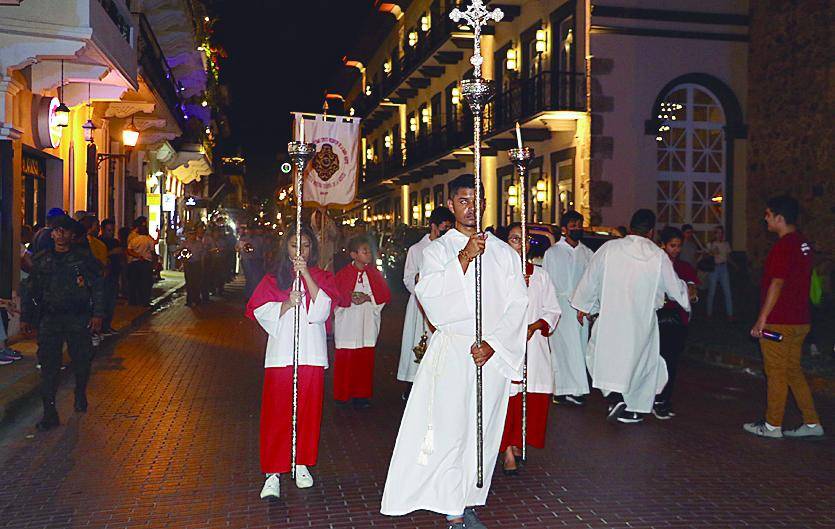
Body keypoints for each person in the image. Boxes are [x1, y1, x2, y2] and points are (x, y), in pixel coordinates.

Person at [381, 174, 528, 529]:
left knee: (483, 430)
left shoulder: (505, 253)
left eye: (477, 200)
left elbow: (518, 304)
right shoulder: (436, 251)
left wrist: (494, 344)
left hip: (489, 354)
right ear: (451, 204)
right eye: (463, 201)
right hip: (453, 351)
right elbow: (429, 297)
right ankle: (452, 508)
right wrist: (463, 257)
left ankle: (468, 497)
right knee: (450, 428)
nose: (471, 208)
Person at [246, 225, 340, 499]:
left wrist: (307, 275)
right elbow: (258, 310)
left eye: (306, 246)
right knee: (277, 413)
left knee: (308, 412)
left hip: (310, 353)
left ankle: (301, 463)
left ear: (313, 250)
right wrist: (285, 304)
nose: (300, 251)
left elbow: (322, 311)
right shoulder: (273, 279)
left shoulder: (321, 276)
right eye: (294, 245)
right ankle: (273, 472)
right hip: (282, 354)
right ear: (285, 248)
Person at [571, 209, 690, 424]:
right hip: (641, 320)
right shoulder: (657, 255)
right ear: (651, 232)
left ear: (631, 226)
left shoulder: (610, 248)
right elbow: (674, 288)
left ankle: (614, 396)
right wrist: (687, 295)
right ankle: (634, 408)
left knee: (599, 355)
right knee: (641, 363)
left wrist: (583, 305)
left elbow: (591, 278)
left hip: (611, 317)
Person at [744, 195, 824, 439]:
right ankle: (811, 423)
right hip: (801, 320)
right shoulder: (804, 244)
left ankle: (772, 425)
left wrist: (762, 319)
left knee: (776, 372)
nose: (765, 218)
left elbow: (777, 283)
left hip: (780, 321)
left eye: (768, 214)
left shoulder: (783, 246)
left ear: (779, 218)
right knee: (792, 371)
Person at [20, 216, 104, 430]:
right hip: (51, 319)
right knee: (48, 367)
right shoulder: (43, 259)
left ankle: (80, 393)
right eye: (56, 231)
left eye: (64, 231)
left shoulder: (83, 259)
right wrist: (26, 318)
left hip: (77, 318)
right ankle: (49, 413)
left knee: (81, 361)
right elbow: (32, 290)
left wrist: (98, 314)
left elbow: (97, 287)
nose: (59, 235)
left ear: (71, 235)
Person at [499, 222, 560, 475]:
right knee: (508, 399)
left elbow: (552, 310)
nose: (519, 244)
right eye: (514, 239)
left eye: (524, 240)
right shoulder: (497, 274)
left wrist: (534, 326)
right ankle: (507, 450)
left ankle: (519, 441)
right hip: (505, 347)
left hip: (533, 347)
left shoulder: (540, 275)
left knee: (530, 397)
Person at [397, 206, 455, 399]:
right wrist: (422, 278)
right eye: (443, 228)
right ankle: (412, 384)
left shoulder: (451, 248)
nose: (446, 232)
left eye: (449, 228)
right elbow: (407, 278)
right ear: (433, 226)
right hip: (420, 306)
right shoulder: (417, 250)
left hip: (443, 305)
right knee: (418, 343)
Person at [541, 210, 594, 405]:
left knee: (578, 348)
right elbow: (546, 283)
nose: (577, 229)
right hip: (560, 306)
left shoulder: (587, 253)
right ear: (564, 229)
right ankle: (562, 390)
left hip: (581, 308)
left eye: (579, 225)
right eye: (573, 226)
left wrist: (590, 306)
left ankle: (575, 389)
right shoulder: (553, 253)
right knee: (562, 349)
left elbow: (593, 282)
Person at [333, 235, 391, 408]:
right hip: (348, 324)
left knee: (364, 362)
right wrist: (349, 298)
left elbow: (384, 296)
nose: (368, 254)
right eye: (364, 251)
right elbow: (335, 297)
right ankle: (342, 395)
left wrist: (369, 298)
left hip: (366, 324)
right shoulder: (343, 274)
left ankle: (361, 396)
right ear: (353, 255)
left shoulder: (374, 274)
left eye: (368, 251)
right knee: (346, 360)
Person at [654, 227, 700, 419]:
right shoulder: (655, 266)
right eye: (672, 246)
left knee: (671, 361)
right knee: (654, 360)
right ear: (662, 245)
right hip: (656, 318)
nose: (676, 250)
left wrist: (691, 293)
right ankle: (653, 398)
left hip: (677, 319)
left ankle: (663, 399)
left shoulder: (684, 267)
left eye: (679, 246)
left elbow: (692, 291)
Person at [99, 219, 122, 335]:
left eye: (112, 230)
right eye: (109, 230)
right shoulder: (99, 242)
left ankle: (107, 325)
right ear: (102, 230)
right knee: (103, 302)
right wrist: (111, 253)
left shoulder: (115, 242)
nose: (111, 233)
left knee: (111, 303)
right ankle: (101, 327)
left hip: (114, 275)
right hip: (104, 277)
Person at [706, 225, 734, 321]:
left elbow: (728, 257)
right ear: (715, 234)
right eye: (718, 232)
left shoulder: (726, 244)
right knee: (711, 292)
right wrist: (712, 250)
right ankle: (709, 313)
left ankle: (730, 314)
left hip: (723, 267)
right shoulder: (711, 244)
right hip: (714, 268)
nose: (720, 234)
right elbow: (708, 254)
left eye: (721, 233)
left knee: (727, 292)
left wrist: (735, 265)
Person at [126, 225, 156, 306]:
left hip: (135, 263)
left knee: (134, 283)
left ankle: (133, 301)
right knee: (146, 283)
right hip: (146, 263)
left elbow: (129, 251)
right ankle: (144, 301)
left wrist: (137, 255)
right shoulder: (149, 240)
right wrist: (154, 263)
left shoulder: (134, 240)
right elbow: (153, 252)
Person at [237, 225, 266, 300]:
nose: (249, 232)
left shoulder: (259, 239)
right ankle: (248, 295)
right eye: (248, 230)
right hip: (247, 260)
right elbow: (238, 248)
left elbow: (263, 250)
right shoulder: (243, 239)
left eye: (251, 230)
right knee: (249, 278)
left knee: (257, 278)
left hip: (257, 260)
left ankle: (254, 295)